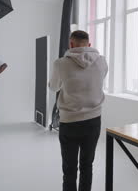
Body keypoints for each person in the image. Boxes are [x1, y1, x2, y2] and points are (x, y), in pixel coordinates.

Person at [49, 30, 108, 191]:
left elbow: (53, 86)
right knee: (87, 165)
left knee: (69, 169)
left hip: (69, 122)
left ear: (71, 44)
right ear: (89, 45)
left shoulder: (60, 63)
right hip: (94, 120)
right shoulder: (102, 61)